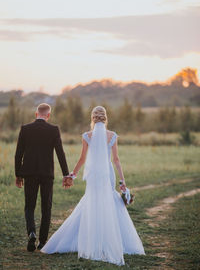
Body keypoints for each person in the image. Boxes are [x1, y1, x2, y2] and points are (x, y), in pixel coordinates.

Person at [41, 106, 145, 265]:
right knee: (108, 201)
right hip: (107, 173)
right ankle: (112, 241)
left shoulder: (87, 136)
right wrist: (122, 181)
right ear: (105, 118)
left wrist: (72, 175)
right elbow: (116, 160)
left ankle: (91, 240)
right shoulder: (112, 136)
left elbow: (82, 159)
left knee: (92, 201)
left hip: (94, 174)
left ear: (93, 118)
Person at [15, 103, 73, 252]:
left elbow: (18, 154)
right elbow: (60, 153)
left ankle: (31, 232)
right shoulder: (53, 130)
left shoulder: (25, 129)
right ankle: (42, 242)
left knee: (29, 206)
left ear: (36, 114)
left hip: (29, 173)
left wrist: (18, 174)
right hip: (47, 174)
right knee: (46, 207)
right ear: (48, 115)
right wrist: (66, 174)